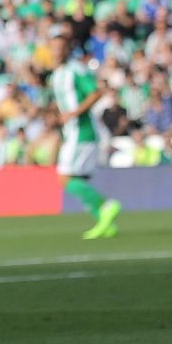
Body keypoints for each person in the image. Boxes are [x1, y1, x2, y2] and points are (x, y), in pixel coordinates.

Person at [49, 28, 123, 239]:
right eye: (53, 48)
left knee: (64, 178)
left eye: (60, 48)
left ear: (67, 50)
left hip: (83, 131)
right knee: (77, 179)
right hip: (71, 132)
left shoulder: (75, 70)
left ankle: (105, 206)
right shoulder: (56, 75)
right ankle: (105, 223)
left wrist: (74, 113)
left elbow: (95, 93)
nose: (56, 52)